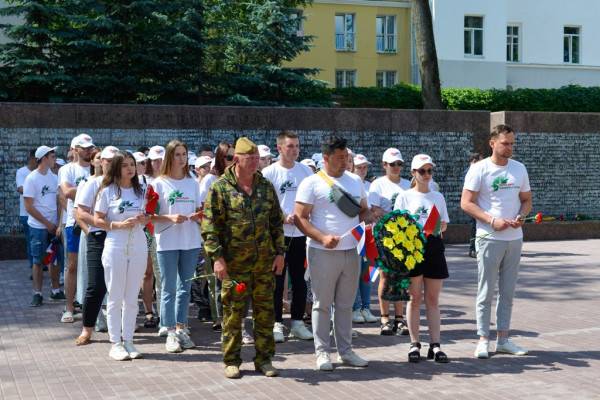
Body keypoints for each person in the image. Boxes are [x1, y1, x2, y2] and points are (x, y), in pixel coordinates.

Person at [202, 137, 285, 379]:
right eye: (250, 158)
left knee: (265, 313)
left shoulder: (265, 186)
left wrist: (280, 253)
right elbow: (210, 228)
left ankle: (264, 359)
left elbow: (276, 223)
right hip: (234, 265)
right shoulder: (220, 188)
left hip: (264, 264)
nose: (254, 163)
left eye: (257, 158)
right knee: (233, 314)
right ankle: (231, 360)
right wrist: (217, 258)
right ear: (237, 158)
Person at [294, 135, 370, 372]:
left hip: (351, 251)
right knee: (322, 304)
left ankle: (345, 352)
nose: (344, 162)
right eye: (339, 158)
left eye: (346, 157)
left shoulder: (355, 181)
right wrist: (321, 237)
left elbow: (363, 212)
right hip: (322, 252)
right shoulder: (312, 183)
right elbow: (300, 218)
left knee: (346, 305)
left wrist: (372, 216)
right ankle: (322, 353)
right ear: (325, 158)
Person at [461, 124, 532, 359]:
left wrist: (521, 216)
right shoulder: (479, 169)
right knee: (486, 290)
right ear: (492, 143)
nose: (509, 147)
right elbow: (466, 203)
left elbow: (526, 200)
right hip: (489, 237)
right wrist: (492, 220)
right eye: (505, 143)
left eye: (512, 143)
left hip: (514, 238)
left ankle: (503, 339)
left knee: (508, 292)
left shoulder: (519, 169)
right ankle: (483, 339)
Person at [394, 154, 450, 363]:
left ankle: (435, 345)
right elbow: (397, 225)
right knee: (414, 298)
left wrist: (435, 227)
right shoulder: (405, 196)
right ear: (414, 173)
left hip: (434, 247)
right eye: (422, 171)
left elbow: (444, 224)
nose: (426, 175)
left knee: (433, 300)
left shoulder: (438, 197)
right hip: (412, 249)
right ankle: (414, 343)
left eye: (429, 171)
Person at [94, 151, 149, 361]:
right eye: (125, 165)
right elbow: (97, 219)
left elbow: (149, 215)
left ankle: (128, 340)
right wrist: (116, 225)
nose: (130, 168)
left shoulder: (142, 190)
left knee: (132, 296)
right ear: (117, 167)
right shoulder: (107, 191)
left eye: (132, 165)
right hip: (115, 244)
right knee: (115, 295)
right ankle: (115, 342)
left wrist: (144, 218)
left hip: (138, 244)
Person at [151, 140, 203, 353]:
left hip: (190, 240)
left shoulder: (193, 183)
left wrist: (199, 216)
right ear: (170, 157)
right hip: (167, 242)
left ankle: (182, 327)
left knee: (185, 288)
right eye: (178, 154)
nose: (182, 159)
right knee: (168, 288)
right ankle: (170, 330)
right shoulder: (158, 183)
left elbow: (200, 209)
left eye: (185, 154)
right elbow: (150, 216)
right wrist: (170, 217)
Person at [262, 130, 314, 342]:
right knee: (277, 279)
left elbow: (313, 200)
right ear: (279, 148)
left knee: (300, 280)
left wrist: (305, 216)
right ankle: (276, 322)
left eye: (297, 146)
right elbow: (263, 204)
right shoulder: (268, 173)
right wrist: (281, 217)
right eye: (290, 146)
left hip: (301, 234)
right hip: (277, 235)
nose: (294, 150)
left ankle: (297, 322)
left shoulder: (306, 172)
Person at [74, 146, 119, 345]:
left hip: (121, 238)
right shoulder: (92, 183)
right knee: (96, 285)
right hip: (98, 237)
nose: (110, 163)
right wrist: (98, 226)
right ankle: (87, 329)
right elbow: (80, 212)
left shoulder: (125, 184)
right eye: (107, 160)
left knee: (119, 286)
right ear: (100, 162)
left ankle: (120, 328)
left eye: (114, 160)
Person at [368, 147, 410, 336]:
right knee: (385, 276)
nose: (396, 167)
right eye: (392, 164)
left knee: (401, 277)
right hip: (384, 235)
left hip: (404, 237)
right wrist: (396, 216)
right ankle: (385, 318)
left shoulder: (408, 184)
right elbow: (374, 210)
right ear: (384, 165)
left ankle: (399, 318)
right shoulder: (378, 185)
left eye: (399, 164)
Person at [58, 133, 95, 323]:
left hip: (96, 221)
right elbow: (66, 191)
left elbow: (74, 192)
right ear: (74, 149)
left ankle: (93, 308)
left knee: (95, 266)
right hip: (74, 223)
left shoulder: (97, 167)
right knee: (72, 265)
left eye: (90, 147)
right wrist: (91, 190)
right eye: (84, 147)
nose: (88, 150)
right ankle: (69, 307)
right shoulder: (67, 169)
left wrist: (80, 191)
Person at [198, 142, 235, 329]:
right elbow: (203, 209)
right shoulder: (210, 180)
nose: (233, 161)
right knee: (215, 277)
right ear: (220, 158)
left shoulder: (237, 178)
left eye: (235, 157)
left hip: (234, 237)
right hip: (215, 235)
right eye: (229, 157)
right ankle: (218, 316)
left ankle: (229, 315)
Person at [24, 146, 62, 307]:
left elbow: (59, 202)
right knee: (38, 261)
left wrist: (58, 223)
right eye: (52, 156)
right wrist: (47, 223)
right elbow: (29, 207)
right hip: (38, 228)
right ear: (44, 158)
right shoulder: (31, 179)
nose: (55, 159)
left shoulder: (54, 178)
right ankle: (37, 293)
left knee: (53, 260)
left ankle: (55, 291)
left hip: (53, 227)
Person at [350, 154, 378, 324]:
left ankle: (366, 307)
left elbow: (374, 210)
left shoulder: (371, 186)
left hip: (370, 235)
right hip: (355, 234)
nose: (362, 170)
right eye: (359, 166)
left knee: (368, 272)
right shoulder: (351, 183)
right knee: (355, 272)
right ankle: (355, 307)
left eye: (365, 167)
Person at [16, 149, 37, 271]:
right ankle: (33, 266)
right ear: (30, 158)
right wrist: (37, 190)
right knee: (31, 241)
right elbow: (20, 189)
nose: (36, 161)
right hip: (26, 213)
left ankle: (40, 264)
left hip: (41, 213)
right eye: (35, 159)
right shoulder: (22, 172)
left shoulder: (43, 172)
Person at [467, 152, 484, 258]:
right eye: (480, 160)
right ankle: (472, 248)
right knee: (474, 227)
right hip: (473, 204)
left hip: (480, 204)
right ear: (474, 161)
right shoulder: (471, 171)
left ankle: (478, 248)